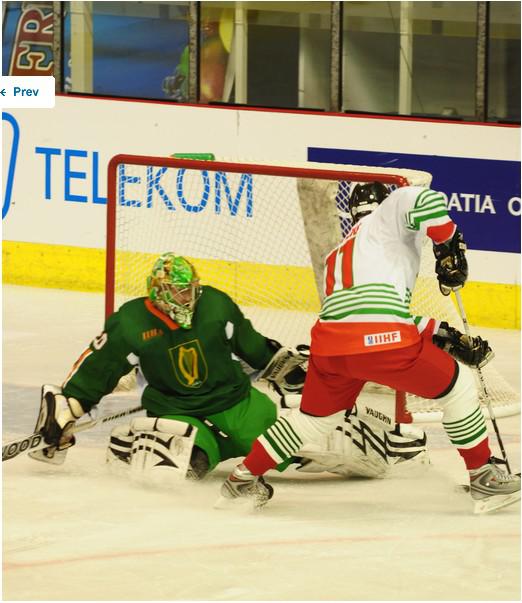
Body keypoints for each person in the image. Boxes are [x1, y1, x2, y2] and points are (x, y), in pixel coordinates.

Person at [220, 182, 521, 514]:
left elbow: (367, 310)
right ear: (382, 205)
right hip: (380, 342)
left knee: (313, 420)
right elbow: (417, 198)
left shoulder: (339, 254)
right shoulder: (387, 219)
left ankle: (242, 479)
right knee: (459, 387)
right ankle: (484, 478)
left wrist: (440, 331)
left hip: (331, 348)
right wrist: (448, 246)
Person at [28, 252, 428, 482]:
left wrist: (285, 364)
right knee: (187, 462)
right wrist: (70, 409)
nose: (188, 296)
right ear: (158, 293)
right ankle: (132, 444)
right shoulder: (131, 323)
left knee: (294, 448)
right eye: (178, 291)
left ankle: (376, 438)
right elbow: (97, 369)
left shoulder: (215, 305)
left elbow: (251, 345)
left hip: (236, 399)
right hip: (175, 408)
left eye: (191, 289)